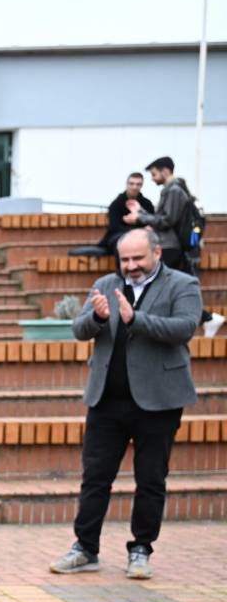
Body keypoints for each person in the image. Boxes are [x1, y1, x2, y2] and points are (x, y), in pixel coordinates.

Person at [50, 228, 200, 581]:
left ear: (157, 253)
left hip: (159, 401)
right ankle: (85, 548)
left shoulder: (183, 284)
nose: (131, 266)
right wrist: (98, 318)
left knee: (151, 479)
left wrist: (136, 319)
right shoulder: (105, 284)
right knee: (95, 477)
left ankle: (141, 549)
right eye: (125, 260)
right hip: (107, 400)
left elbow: (185, 327)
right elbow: (79, 329)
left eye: (138, 259)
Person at [126, 156, 195, 273]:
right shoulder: (171, 190)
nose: (152, 179)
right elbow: (162, 217)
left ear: (165, 171)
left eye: (154, 174)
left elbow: (167, 221)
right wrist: (140, 211)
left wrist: (139, 217)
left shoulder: (174, 190)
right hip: (169, 245)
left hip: (169, 246)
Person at [98, 172, 154, 254]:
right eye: (131, 184)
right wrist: (137, 231)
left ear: (142, 185)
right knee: (123, 242)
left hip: (142, 237)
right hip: (118, 236)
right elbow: (115, 227)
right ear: (126, 184)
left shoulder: (147, 203)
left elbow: (152, 223)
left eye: (138, 184)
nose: (134, 187)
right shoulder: (116, 203)